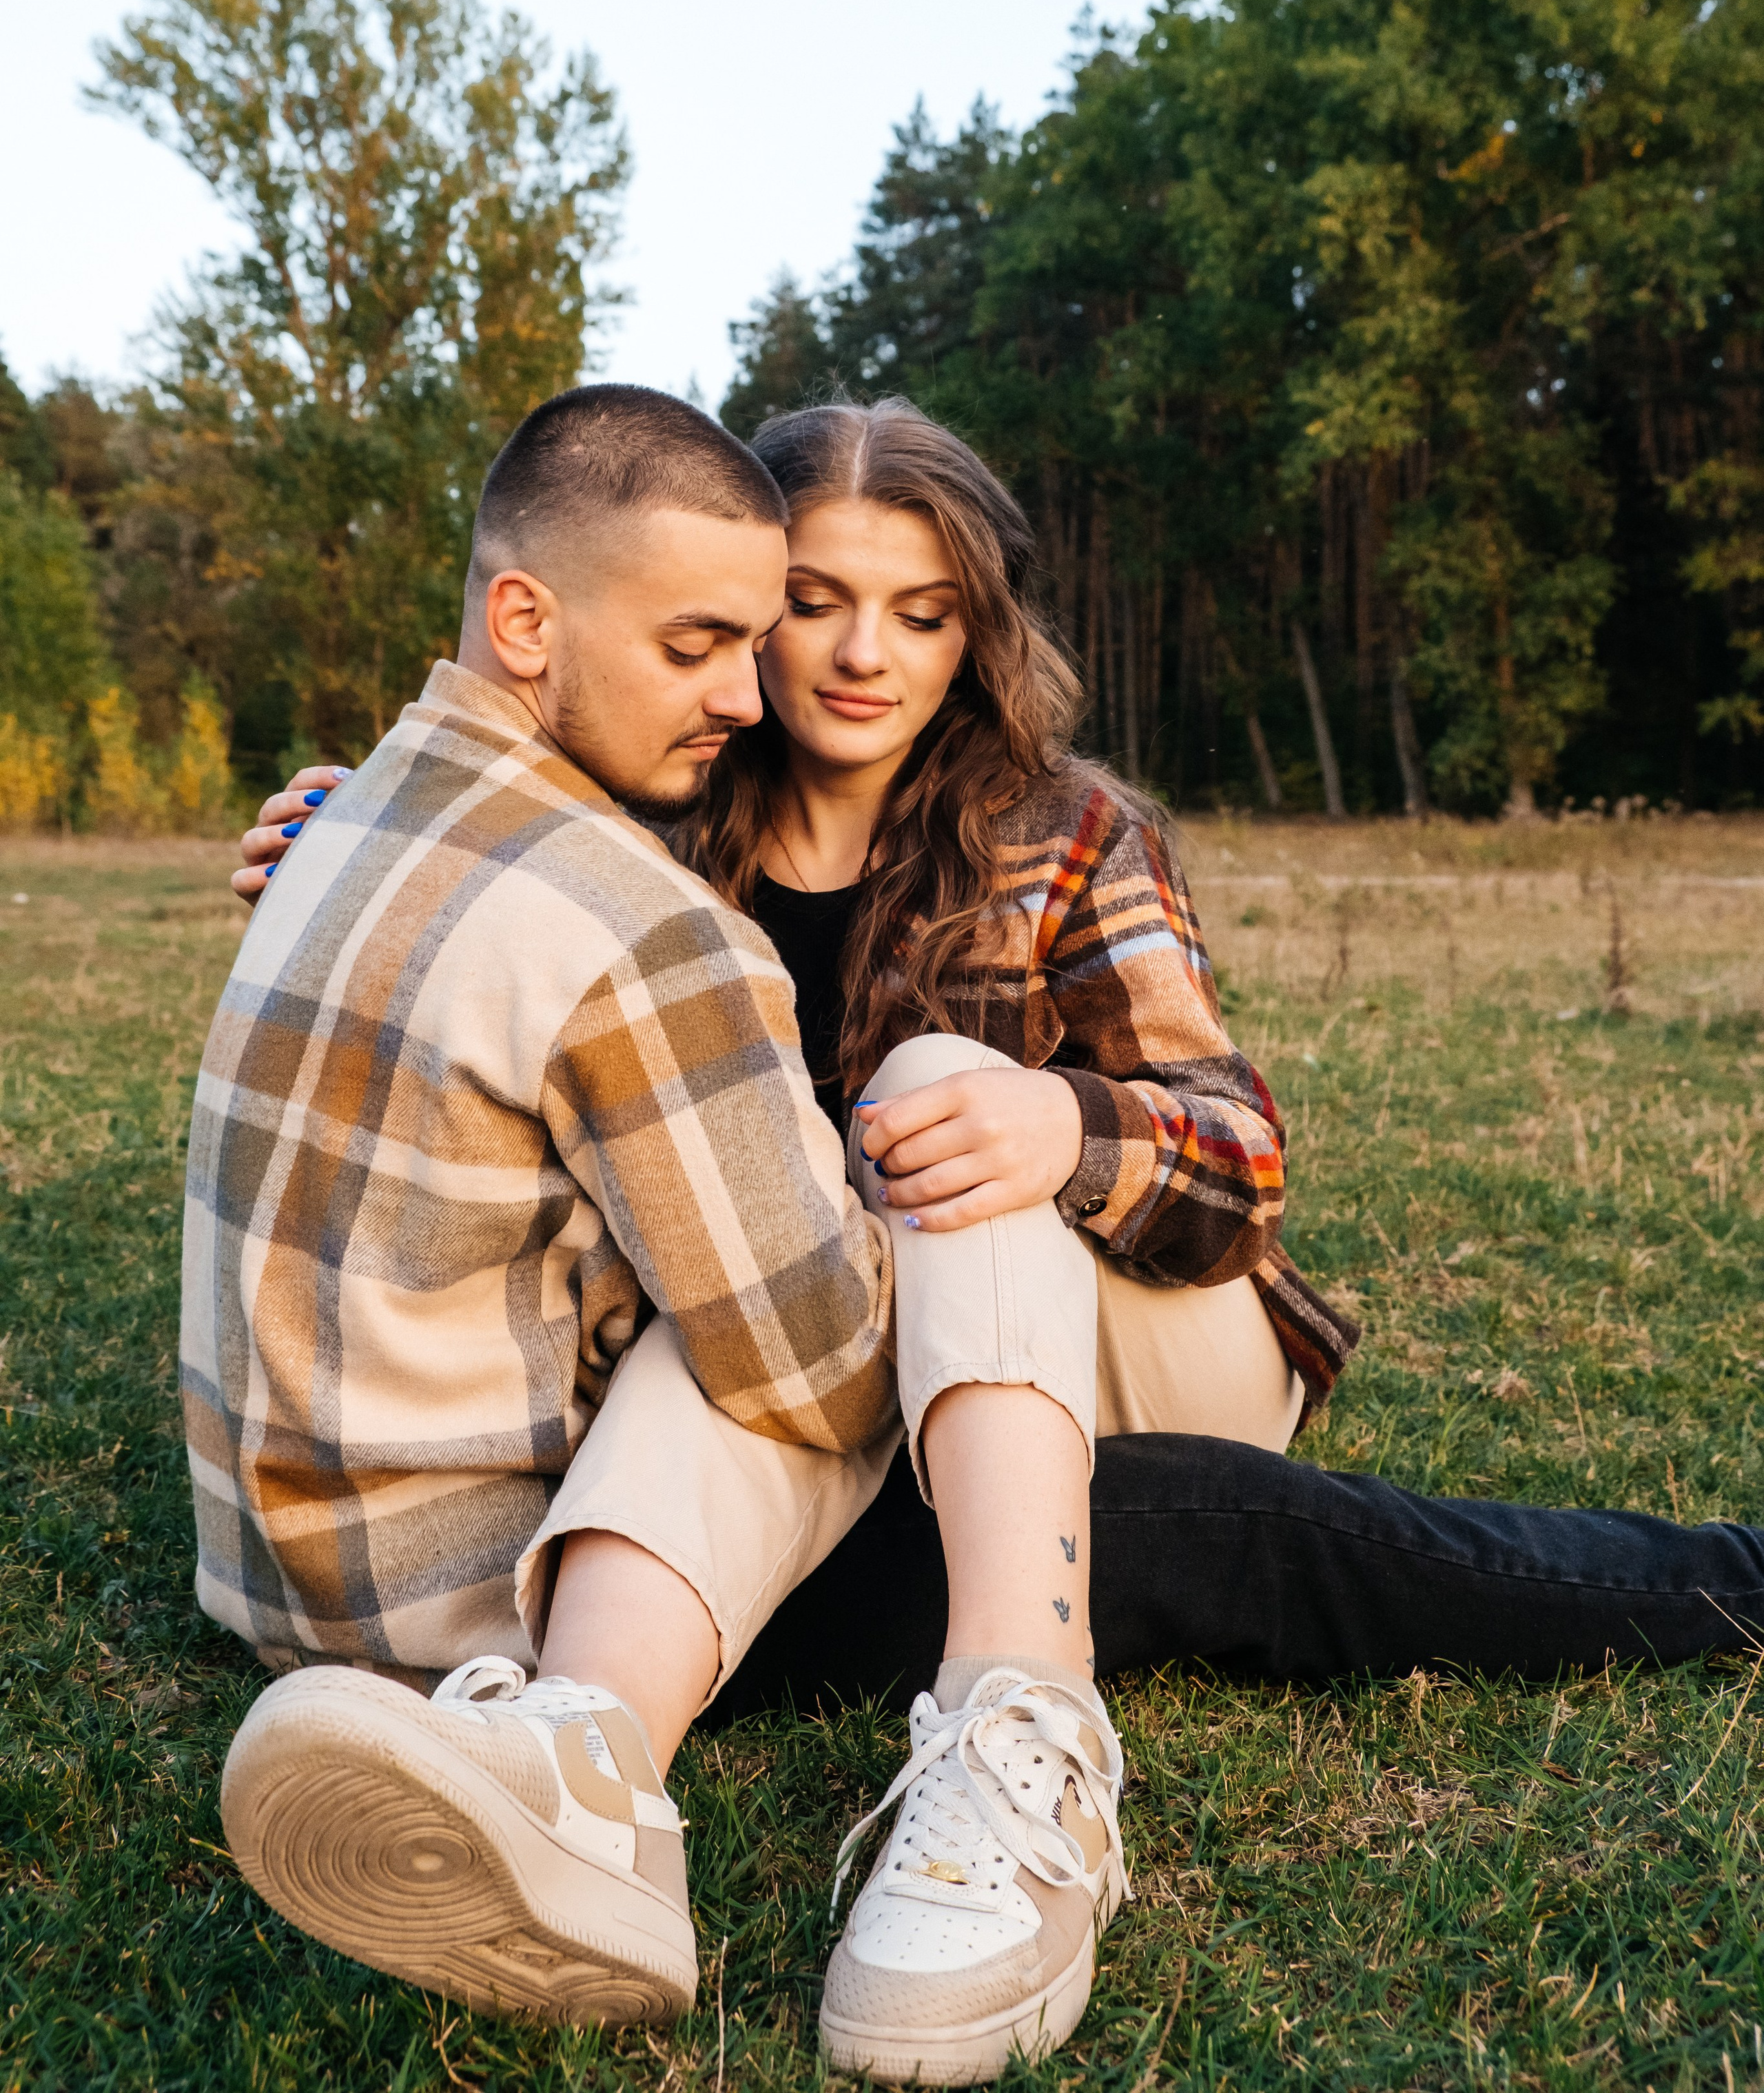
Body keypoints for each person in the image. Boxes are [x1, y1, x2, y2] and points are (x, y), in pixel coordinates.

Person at [234, 396, 1764, 2085]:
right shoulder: (659, 810)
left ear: (976, 630)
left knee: (935, 1102)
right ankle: (580, 1763)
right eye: (811, 601)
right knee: (773, 1263)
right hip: (846, 1356)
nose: (860, 655)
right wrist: (378, 839)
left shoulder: (1066, 826)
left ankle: (1019, 1723)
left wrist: (1067, 1125)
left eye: (922, 612)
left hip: (1136, 1332)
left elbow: (1242, 1157)